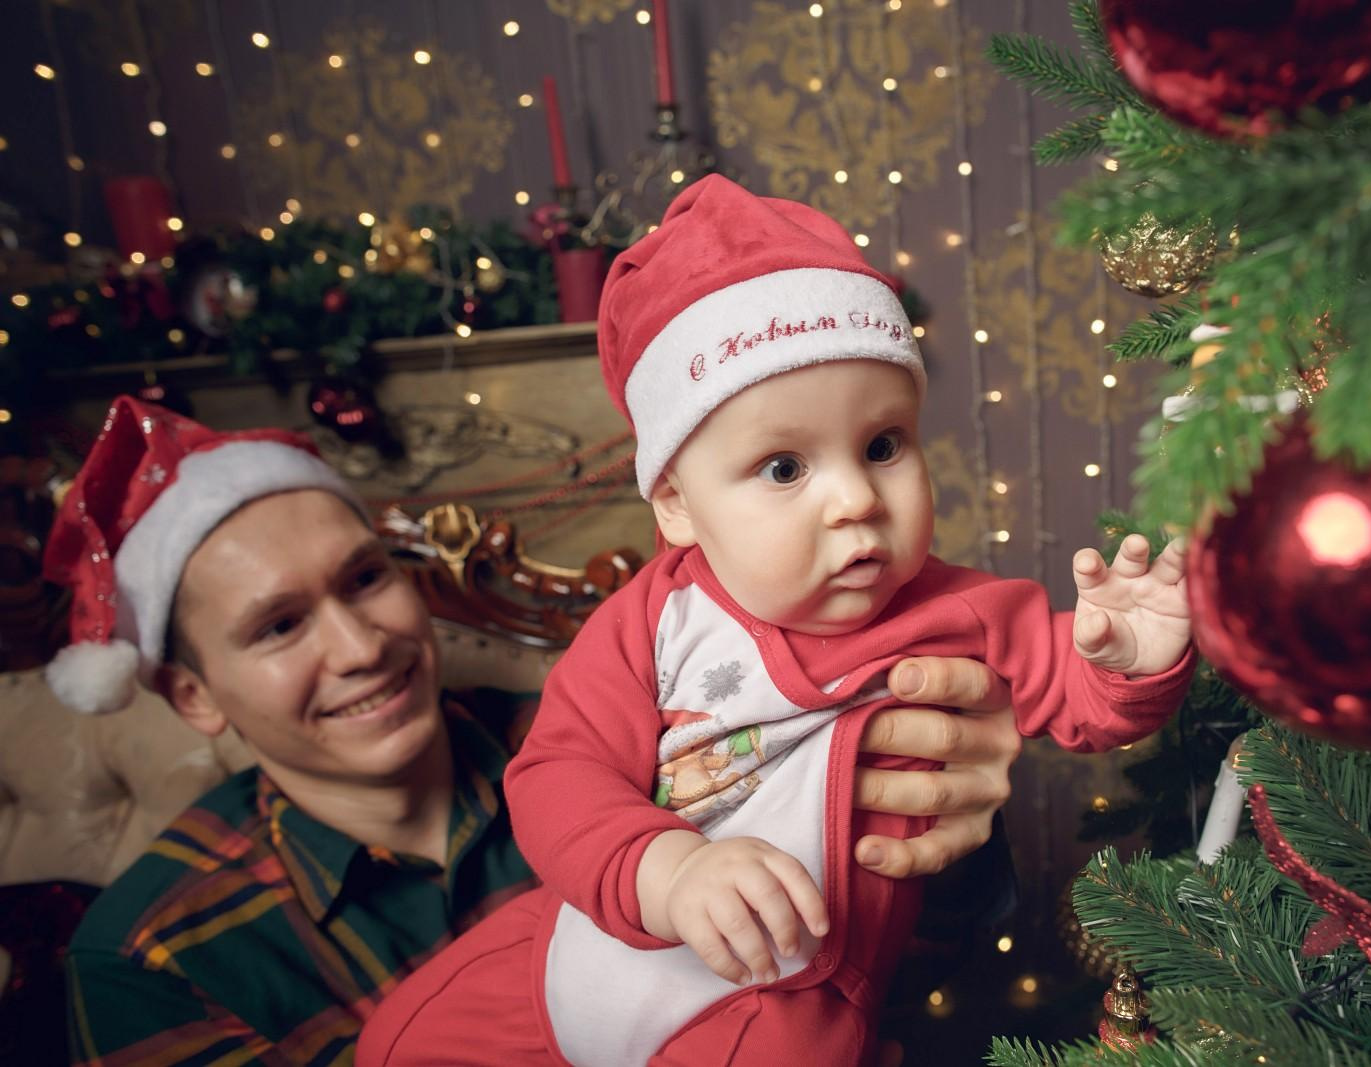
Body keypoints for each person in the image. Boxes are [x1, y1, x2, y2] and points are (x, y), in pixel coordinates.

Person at [357, 175, 1196, 1067]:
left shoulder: (964, 613)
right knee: (397, 1040)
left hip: (785, 997)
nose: (855, 500)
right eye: (785, 467)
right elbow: (557, 772)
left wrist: (1130, 662)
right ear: (676, 506)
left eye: (883, 445)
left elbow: (1080, 701)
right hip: (573, 954)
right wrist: (669, 871)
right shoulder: (652, 619)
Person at [43, 396, 1026, 1065]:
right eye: (280, 625)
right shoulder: (148, 951)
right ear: (193, 695)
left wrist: (942, 808)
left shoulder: (617, 738)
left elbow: (898, 955)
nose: (359, 645)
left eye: (366, 578)